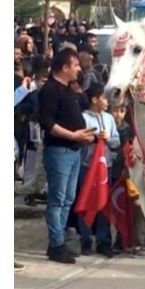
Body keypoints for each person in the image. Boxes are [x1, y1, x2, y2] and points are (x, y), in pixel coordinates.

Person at [37, 47, 97, 264]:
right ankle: (56, 244)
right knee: (58, 199)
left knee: (68, 199)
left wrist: (85, 135)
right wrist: (73, 135)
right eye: (75, 65)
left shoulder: (69, 89)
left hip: (74, 150)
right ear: (64, 67)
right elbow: (48, 123)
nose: (78, 69)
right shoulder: (50, 90)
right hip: (59, 150)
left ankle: (58, 239)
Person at [74, 83, 122, 258]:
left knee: (104, 204)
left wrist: (108, 139)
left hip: (105, 167)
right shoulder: (83, 118)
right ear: (94, 100)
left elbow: (116, 142)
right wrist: (89, 139)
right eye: (103, 97)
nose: (107, 101)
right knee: (87, 202)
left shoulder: (109, 119)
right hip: (87, 167)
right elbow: (79, 140)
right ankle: (85, 239)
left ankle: (104, 241)